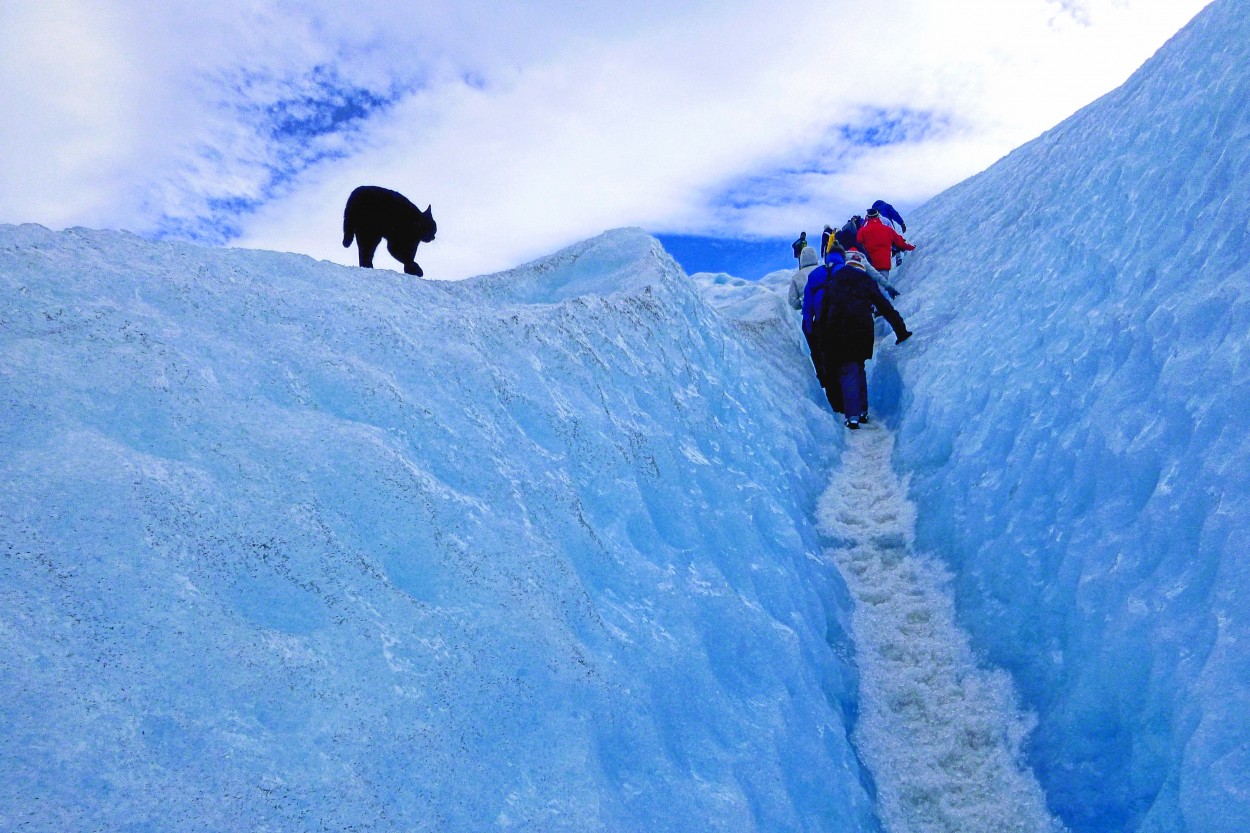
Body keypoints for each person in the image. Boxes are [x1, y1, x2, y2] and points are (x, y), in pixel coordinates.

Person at [812, 250, 912, 429]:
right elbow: (885, 307)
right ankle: (862, 411)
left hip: (838, 332)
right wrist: (901, 331)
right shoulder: (866, 280)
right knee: (858, 367)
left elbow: (823, 315)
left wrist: (822, 342)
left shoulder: (832, 282)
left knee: (847, 369)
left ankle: (853, 416)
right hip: (862, 331)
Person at [801, 246, 848, 392]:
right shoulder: (845, 271)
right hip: (843, 321)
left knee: (827, 360)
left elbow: (807, 306)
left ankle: (835, 399)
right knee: (846, 360)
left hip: (822, 324)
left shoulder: (815, 275)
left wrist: (809, 328)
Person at [856, 208, 914, 281]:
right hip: (884, 263)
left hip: (870, 264)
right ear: (878, 216)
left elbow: (858, 245)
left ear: (868, 217)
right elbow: (900, 242)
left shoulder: (862, 231)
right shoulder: (887, 229)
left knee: (873, 287)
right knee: (883, 285)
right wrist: (912, 247)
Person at [788, 244, 821, 311]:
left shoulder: (796, 276)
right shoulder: (823, 270)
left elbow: (792, 300)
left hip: (809, 312)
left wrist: (802, 304)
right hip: (826, 309)